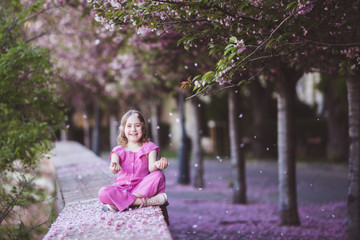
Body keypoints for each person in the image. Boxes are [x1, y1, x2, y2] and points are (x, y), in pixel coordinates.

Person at [98, 110, 169, 212]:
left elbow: (152, 168)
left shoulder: (149, 147)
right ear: (123, 129)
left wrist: (159, 164)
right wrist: (114, 165)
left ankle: (120, 203)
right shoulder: (118, 150)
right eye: (129, 126)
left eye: (137, 126)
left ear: (143, 128)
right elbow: (113, 167)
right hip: (122, 189)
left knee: (158, 175)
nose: (133, 129)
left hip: (142, 188)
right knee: (103, 192)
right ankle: (145, 202)